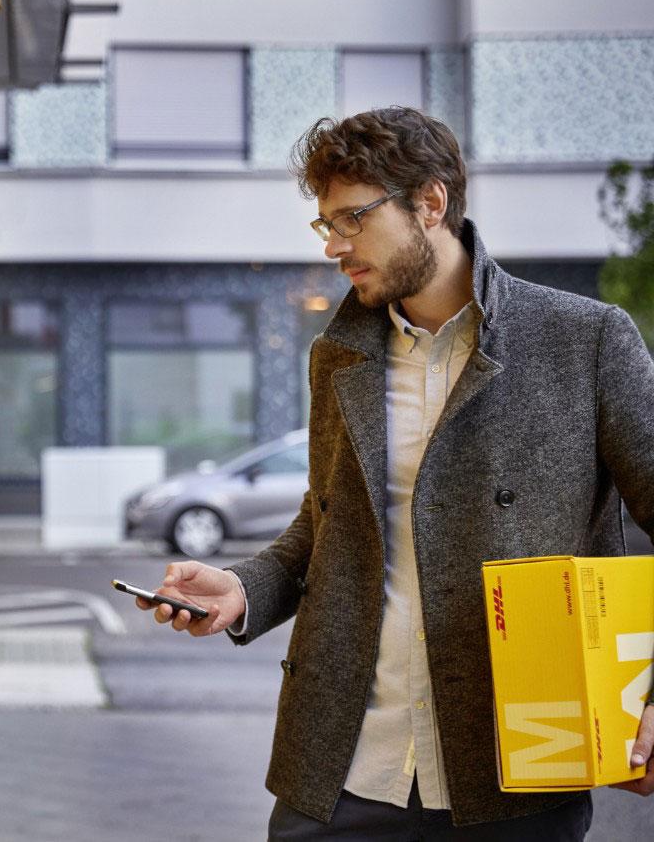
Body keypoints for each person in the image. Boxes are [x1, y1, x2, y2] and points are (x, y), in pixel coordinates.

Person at [134, 107, 654, 839]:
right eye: (326, 225)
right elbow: (326, 526)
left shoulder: (586, 341)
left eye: (353, 219)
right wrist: (244, 589)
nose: (335, 247)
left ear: (430, 203)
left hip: (521, 766)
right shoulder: (338, 354)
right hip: (344, 771)